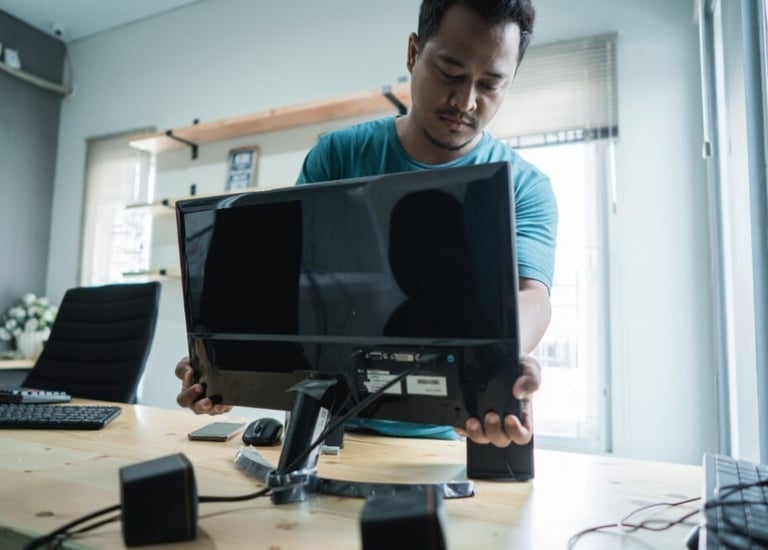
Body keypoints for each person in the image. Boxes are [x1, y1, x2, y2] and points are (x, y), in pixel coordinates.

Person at [176, 0, 557, 449]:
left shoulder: (525, 186)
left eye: (491, 85)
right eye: (450, 72)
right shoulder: (337, 156)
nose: (466, 101)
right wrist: (224, 368)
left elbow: (533, 296)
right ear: (413, 53)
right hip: (330, 431)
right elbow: (283, 287)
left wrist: (505, 358)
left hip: (448, 437)